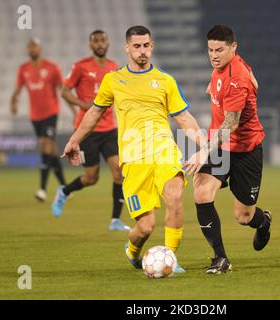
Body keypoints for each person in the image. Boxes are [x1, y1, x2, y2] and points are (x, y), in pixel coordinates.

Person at [61, 25, 205, 272]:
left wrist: (206, 146)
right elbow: (94, 113)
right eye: (137, 46)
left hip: (164, 152)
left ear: (152, 47)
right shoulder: (113, 80)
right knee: (145, 228)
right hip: (133, 159)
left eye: (146, 45)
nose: (142, 51)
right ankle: (133, 251)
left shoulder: (165, 81)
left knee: (175, 195)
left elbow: (184, 118)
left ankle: (170, 257)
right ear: (127, 48)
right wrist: (74, 139)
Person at [185, 25, 272, 274]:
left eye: (219, 50)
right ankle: (220, 258)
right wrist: (213, 88)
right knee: (202, 193)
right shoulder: (224, 67)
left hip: (246, 148)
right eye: (210, 49)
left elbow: (231, 124)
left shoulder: (237, 78)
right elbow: (246, 81)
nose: (214, 55)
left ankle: (263, 221)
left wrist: (203, 151)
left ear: (234, 48)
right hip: (220, 146)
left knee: (244, 216)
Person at [51, 30, 130, 231]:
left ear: (108, 43)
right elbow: (65, 91)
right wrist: (83, 105)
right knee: (91, 177)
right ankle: (64, 191)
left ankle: (115, 220)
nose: (100, 43)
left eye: (103, 40)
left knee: (119, 172)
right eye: (95, 41)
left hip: (109, 129)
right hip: (87, 131)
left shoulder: (114, 68)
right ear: (90, 45)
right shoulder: (81, 67)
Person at [10, 38, 66, 202]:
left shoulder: (52, 68)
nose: (32, 49)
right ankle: (65, 187)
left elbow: (63, 89)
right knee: (52, 151)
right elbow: (18, 89)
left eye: (34, 46)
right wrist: (13, 102)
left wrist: (75, 110)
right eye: (29, 47)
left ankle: (42, 189)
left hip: (51, 113)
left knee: (45, 146)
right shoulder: (24, 69)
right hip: (35, 116)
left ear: (40, 49)